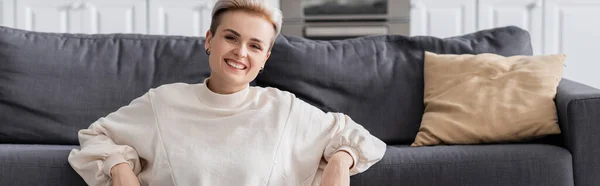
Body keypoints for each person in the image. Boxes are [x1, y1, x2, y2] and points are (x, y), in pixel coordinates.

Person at [67, 0, 386, 185]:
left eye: (255, 45)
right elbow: (95, 136)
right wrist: (120, 169)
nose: (241, 52)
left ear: (265, 59)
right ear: (209, 39)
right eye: (231, 38)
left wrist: (340, 161)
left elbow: (358, 137)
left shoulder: (284, 108)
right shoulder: (163, 102)